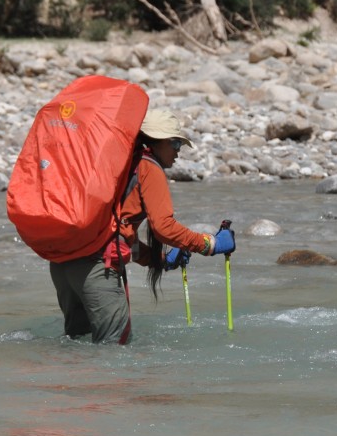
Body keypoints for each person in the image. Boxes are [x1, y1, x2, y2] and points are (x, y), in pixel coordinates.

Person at [48, 108, 235, 344]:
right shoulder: (148, 167)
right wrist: (211, 244)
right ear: (156, 141)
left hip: (63, 264)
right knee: (114, 348)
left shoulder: (119, 165)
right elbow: (164, 227)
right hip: (96, 267)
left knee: (78, 344)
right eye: (176, 144)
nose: (178, 153)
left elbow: (117, 232)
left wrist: (157, 259)